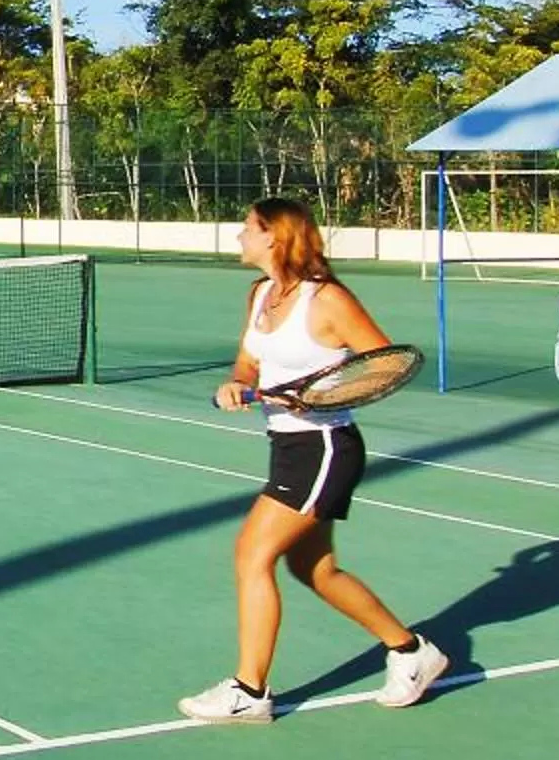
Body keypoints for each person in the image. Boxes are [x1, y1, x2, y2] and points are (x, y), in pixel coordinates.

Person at [180, 197, 450, 725]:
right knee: (315, 569)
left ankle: (249, 691)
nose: (239, 236)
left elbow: (385, 367)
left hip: (325, 449)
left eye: (247, 228)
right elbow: (249, 358)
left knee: (250, 555)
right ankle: (411, 651)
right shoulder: (260, 295)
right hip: (287, 445)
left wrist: (319, 397)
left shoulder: (327, 300)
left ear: (274, 237)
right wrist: (239, 382)